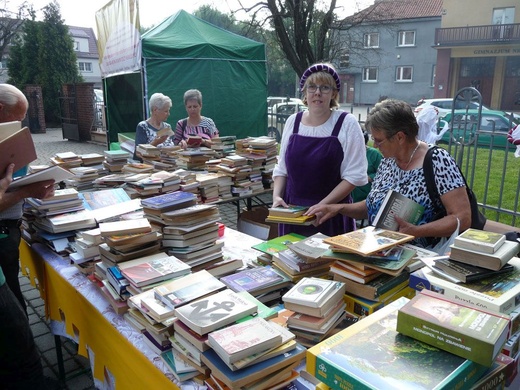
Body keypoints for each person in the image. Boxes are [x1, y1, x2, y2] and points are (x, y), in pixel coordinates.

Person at [307, 99, 472, 247]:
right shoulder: (388, 160)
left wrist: (417, 231)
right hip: (381, 252)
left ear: (400, 137)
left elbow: (463, 218)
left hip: (421, 261)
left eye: (378, 140)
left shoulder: (437, 160)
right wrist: (338, 208)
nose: (375, 145)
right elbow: (373, 206)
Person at [272, 63, 368, 237]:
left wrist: (324, 206)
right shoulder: (293, 122)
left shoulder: (347, 123)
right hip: (293, 213)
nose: (317, 92)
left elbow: (354, 176)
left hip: (330, 214)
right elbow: (282, 168)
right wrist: (276, 196)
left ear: (333, 93)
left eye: (324, 87)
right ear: (305, 92)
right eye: (312, 87)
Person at [0, 83, 55, 313]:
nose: (19, 126)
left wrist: (35, 181)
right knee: (11, 306)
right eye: (16, 119)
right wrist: (27, 192)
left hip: (10, 228)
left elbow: (12, 179)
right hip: (2, 232)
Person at [133, 92, 174, 161]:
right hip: (151, 167)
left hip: (169, 165)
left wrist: (180, 146)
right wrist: (155, 143)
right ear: (155, 110)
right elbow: (138, 154)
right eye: (166, 111)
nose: (168, 114)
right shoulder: (143, 127)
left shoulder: (167, 126)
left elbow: (172, 148)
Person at [352, 130, 382, 203]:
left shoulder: (374, 154)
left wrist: (369, 177)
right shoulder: (346, 153)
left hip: (367, 196)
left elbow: (384, 174)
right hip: (350, 196)